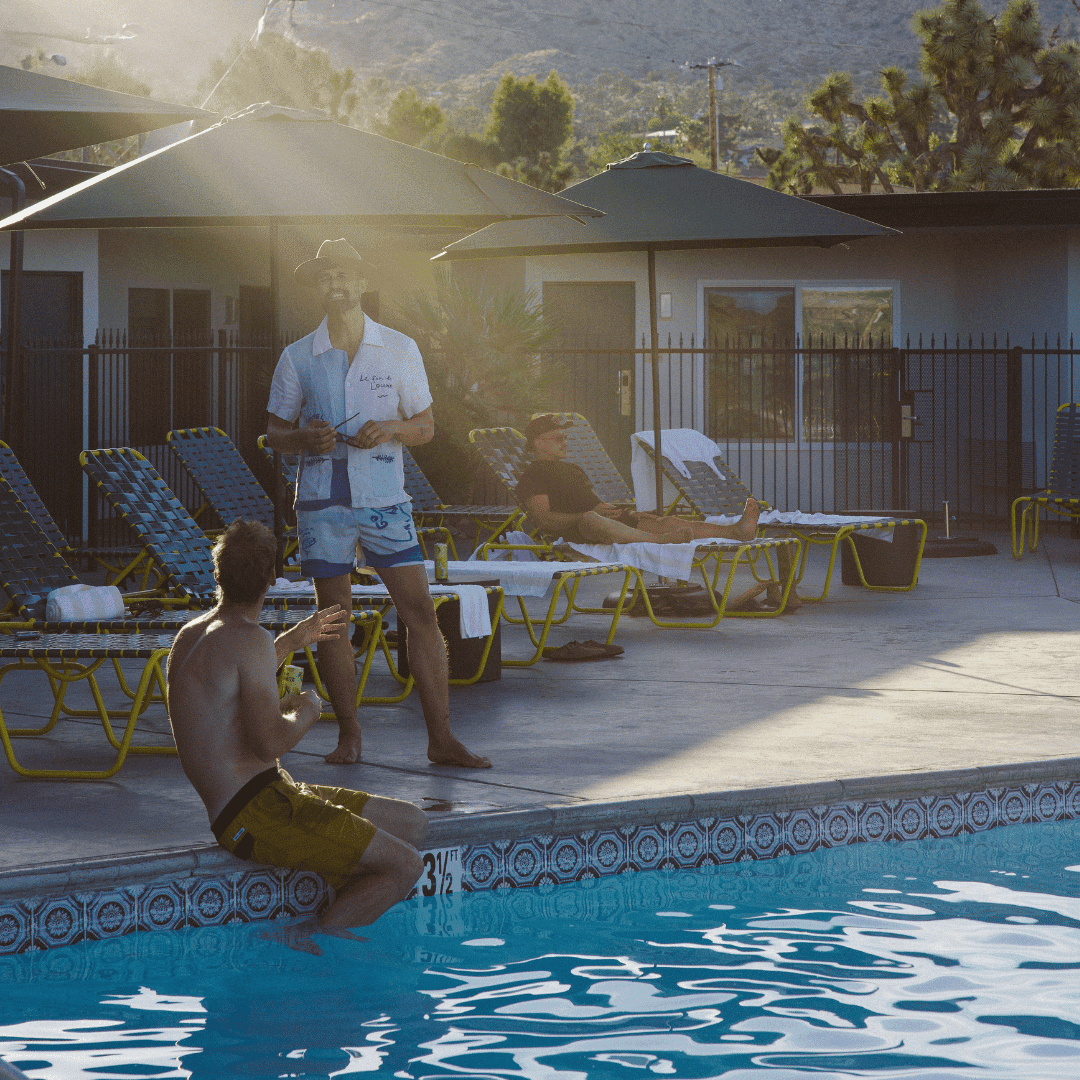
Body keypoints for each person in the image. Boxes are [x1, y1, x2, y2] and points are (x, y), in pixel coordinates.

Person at [265, 238, 489, 768]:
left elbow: (427, 426)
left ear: (363, 282)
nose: (336, 283)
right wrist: (305, 439)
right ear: (316, 287)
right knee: (334, 619)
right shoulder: (298, 355)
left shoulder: (399, 348)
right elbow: (274, 433)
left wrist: (389, 427)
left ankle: (442, 737)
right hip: (322, 501)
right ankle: (349, 736)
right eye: (325, 276)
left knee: (420, 612)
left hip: (385, 498)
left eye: (345, 273)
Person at [166, 519, 427, 953]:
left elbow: (224, 691)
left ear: (218, 573)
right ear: (272, 577)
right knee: (405, 867)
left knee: (411, 823)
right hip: (256, 814)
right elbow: (270, 744)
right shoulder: (248, 639)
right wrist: (308, 711)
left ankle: (341, 868)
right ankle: (309, 942)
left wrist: (289, 641)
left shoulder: (190, 635)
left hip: (258, 801)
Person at [516, 414, 799, 610]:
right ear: (538, 443)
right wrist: (586, 515)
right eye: (557, 438)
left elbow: (586, 503)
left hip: (602, 522)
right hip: (575, 530)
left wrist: (606, 510)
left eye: (565, 437)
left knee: (663, 519)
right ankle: (660, 542)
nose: (564, 442)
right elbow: (544, 519)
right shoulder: (534, 475)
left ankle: (736, 531)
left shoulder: (570, 469)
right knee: (595, 520)